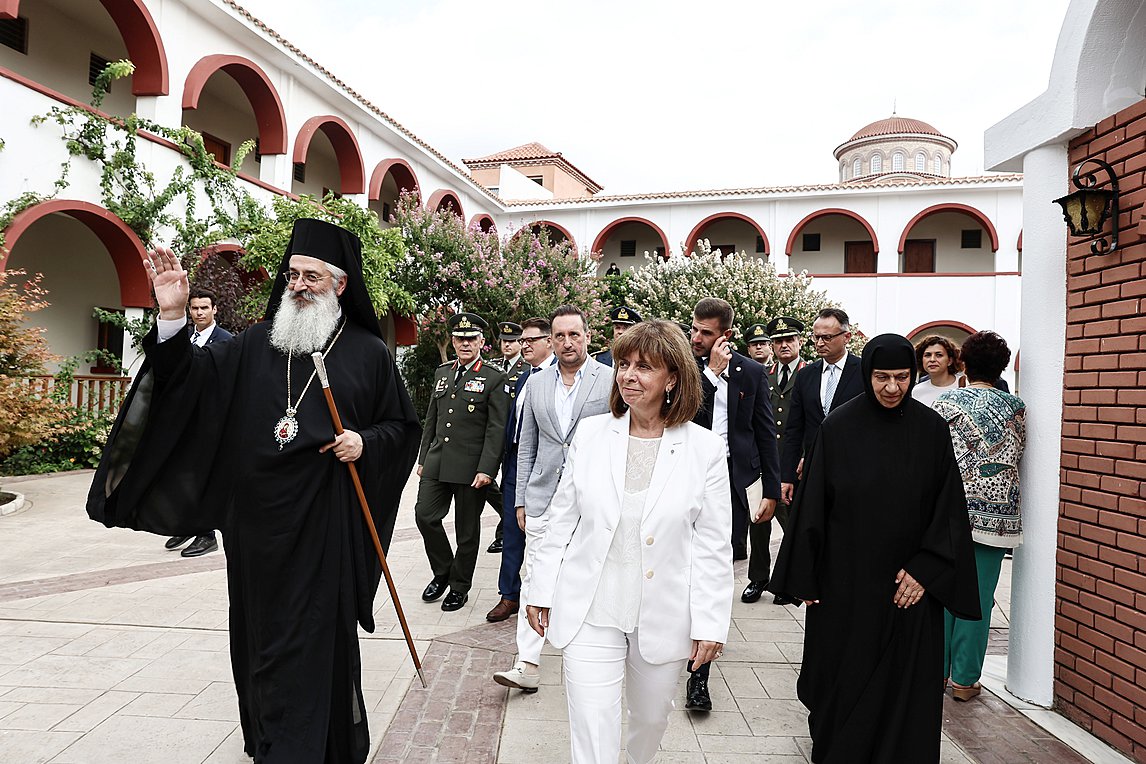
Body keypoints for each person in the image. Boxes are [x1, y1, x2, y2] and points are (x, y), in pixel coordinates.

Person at [87, 218, 422, 763]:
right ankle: (269, 736)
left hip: (324, 524)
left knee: (313, 638)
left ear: (340, 284)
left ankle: (309, 746)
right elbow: (189, 385)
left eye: (312, 276)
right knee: (261, 639)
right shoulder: (252, 343)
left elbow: (402, 430)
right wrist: (172, 318)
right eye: (292, 274)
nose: (298, 285)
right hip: (256, 527)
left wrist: (365, 442)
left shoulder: (368, 352)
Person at [526, 320, 733, 764]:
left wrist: (711, 623)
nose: (628, 375)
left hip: (662, 613)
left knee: (649, 722)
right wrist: (540, 589)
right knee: (591, 725)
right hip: (591, 607)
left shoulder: (705, 450)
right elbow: (562, 519)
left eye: (645, 367)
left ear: (673, 378)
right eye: (624, 364)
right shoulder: (592, 434)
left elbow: (714, 546)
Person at [768, 333, 980, 764]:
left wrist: (926, 569)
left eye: (902, 377)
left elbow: (950, 512)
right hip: (846, 584)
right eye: (882, 377)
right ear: (868, 374)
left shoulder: (932, 430)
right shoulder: (839, 427)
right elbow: (813, 509)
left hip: (909, 589)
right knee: (843, 680)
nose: (891, 387)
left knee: (907, 683)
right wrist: (806, 573)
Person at [492, 305, 612, 692]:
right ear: (551, 340)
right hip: (543, 497)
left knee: (592, 578)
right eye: (559, 336)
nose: (566, 342)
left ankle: (592, 657)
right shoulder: (536, 383)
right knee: (535, 576)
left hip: (593, 499)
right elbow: (527, 444)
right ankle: (526, 663)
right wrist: (521, 498)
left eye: (574, 334)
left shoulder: (608, 380)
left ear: (588, 337)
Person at [685, 297, 780, 711]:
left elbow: (764, 431)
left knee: (715, 569)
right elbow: (684, 414)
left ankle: (699, 676)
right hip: (684, 479)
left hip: (731, 484)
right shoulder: (685, 367)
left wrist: (772, 490)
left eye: (706, 332)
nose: (696, 337)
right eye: (694, 329)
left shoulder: (752, 372)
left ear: (725, 334)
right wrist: (710, 374)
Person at [933, 330, 1026, 702]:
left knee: (941, 594)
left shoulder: (945, 402)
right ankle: (965, 680)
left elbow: (932, 456)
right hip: (999, 516)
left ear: (965, 365)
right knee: (979, 598)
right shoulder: (1017, 407)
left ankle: (936, 672)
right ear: (1002, 366)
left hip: (949, 512)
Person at [415, 312, 509, 612]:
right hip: (437, 461)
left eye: (470, 339)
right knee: (425, 516)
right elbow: (433, 418)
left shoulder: (494, 378)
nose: (464, 343)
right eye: (459, 338)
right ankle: (443, 572)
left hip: (472, 469)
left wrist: (487, 468)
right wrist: (422, 459)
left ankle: (459, 586)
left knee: (467, 531)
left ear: (482, 342)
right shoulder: (442, 373)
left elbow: (497, 429)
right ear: (453, 341)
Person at [486, 317, 556, 623]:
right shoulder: (526, 376)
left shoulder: (562, 375)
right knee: (512, 531)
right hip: (515, 462)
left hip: (549, 467)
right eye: (522, 341)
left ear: (548, 342)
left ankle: (550, 597)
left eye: (530, 341)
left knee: (550, 536)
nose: (524, 345)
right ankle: (509, 595)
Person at [164, 287, 233, 559]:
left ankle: (206, 535)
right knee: (181, 473)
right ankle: (187, 523)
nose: (199, 312)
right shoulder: (184, 338)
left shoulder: (227, 341)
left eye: (204, 307)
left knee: (203, 475)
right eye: (194, 308)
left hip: (211, 420)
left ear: (215, 309)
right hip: (183, 418)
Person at [780, 307, 864, 506]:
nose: (819, 343)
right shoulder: (806, 375)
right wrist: (787, 476)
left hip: (855, 469)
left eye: (826, 337)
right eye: (816, 337)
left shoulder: (864, 371)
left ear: (847, 337)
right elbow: (794, 429)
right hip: (812, 470)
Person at [756, 315, 807, 606]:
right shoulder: (763, 374)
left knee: (793, 523)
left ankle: (789, 582)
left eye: (789, 340)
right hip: (766, 461)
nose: (783, 345)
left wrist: (803, 456)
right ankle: (757, 578)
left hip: (794, 464)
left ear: (799, 342)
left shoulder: (809, 373)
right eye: (778, 341)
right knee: (759, 520)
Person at [483, 321, 526, 554]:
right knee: (487, 481)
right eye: (504, 341)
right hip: (493, 434)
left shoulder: (527, 368)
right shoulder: (494, 367)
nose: (507, 345)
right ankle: (504, 515)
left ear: (520, 342)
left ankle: (502, 533)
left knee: (509, 483)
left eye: (512, 341)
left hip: (513, 437)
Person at [911, 335, 965, 407]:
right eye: (928, 355)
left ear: (950, 361)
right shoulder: (917, 391)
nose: (932, 359)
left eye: (939, 355)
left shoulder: (966, 385)